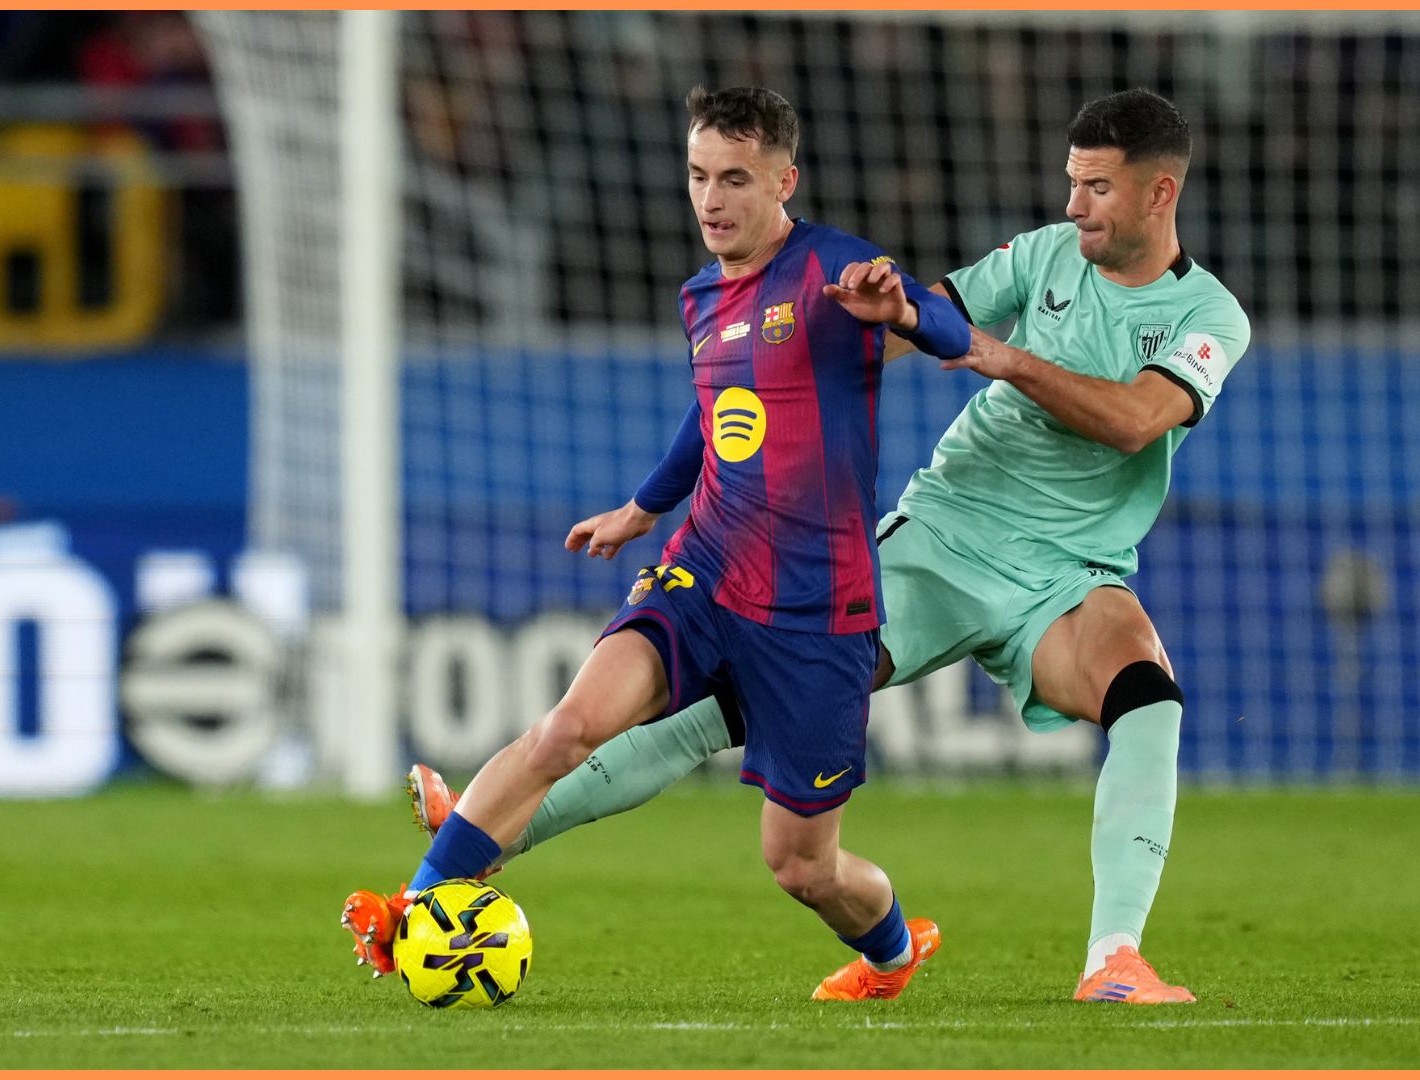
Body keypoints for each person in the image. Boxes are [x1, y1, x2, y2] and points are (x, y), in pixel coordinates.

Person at [407, 88, 1253, 1005]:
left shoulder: (1210, 317)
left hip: (1071, 577)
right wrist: (837, 332)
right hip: (943, 539)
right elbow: (921, 319)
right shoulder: (1046, 256)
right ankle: (492, 834)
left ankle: (1113, 961)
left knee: (1149, 700)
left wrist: (1003, 357)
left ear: (1160, 194)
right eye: (1071, 183)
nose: (1074, 207)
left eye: (1097, 190)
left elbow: (1134, 422)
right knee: (720, 704)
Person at [342, 86, 974, 1002]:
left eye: (734, 180)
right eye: (697, 176)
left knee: (803, 868)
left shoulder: (835, 270)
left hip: (817, 611)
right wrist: (644, 509)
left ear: (784, 182)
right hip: (706, 569)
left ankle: (890, 952)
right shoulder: (700, 298)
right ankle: (417, 907)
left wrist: (906, 314)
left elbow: (956, 336)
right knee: (570, 727)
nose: (711, 200)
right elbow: (715, 412)